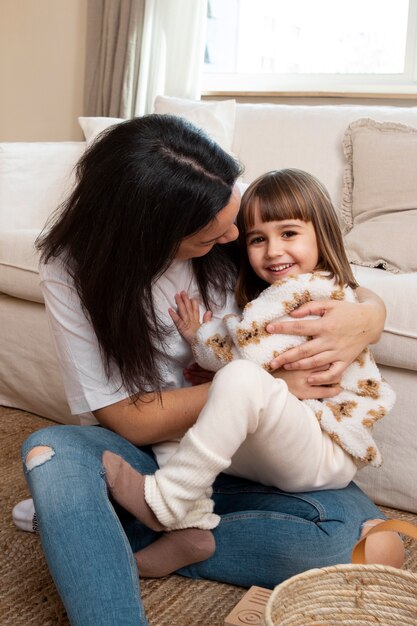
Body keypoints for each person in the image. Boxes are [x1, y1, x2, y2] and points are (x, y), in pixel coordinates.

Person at [19, 116, 400, 626]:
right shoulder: (71, 269)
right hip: (156, 455)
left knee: (364, 545)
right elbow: (129, 422)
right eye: (210, 236)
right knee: (52, 452)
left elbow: (320, 267)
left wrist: (369, 315)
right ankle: (119, 524)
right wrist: (269, 382)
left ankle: (104, 531)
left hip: (248, 457)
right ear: (149, 235)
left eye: (234, 217)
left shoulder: (225, 204)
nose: (237, 235)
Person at [102, 169, 400, 577]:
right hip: (291, 438)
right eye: (258, 239)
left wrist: (201, 339)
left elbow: (253, 359)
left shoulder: (313, 293)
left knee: (239, 379)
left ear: (322, 235)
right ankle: (190, 525)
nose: (273, 251)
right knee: (179, 418)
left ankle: (170, 500)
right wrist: (207, 347)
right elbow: (255, 352)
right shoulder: (275, 296)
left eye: (289, 234)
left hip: (324, 445)